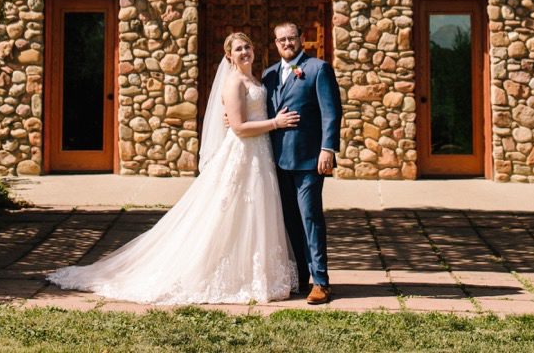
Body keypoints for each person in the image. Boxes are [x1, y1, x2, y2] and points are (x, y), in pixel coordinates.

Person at [46, 31, 299, 304]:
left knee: (255, 212)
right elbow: (238, 127)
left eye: (247, 46)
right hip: (243, 154)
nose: (245, 52)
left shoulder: (254, 79)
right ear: (229, 56)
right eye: (238, 49)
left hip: (260, 155)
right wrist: (276, 123)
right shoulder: (234, 82)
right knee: (230, 213)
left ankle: (257, 275)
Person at [260, 20, 343, 305]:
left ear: (302, 39)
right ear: (275, 43)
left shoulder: (317, 69)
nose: (287, 43)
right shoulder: (269, 75)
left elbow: (331, 112)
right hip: (278, 161)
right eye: (281, 39)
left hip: (309, 160)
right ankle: (301, 277)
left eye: (291, 38)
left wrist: (328, 148)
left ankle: (321, 282)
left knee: (310, 218)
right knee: (290, 222)